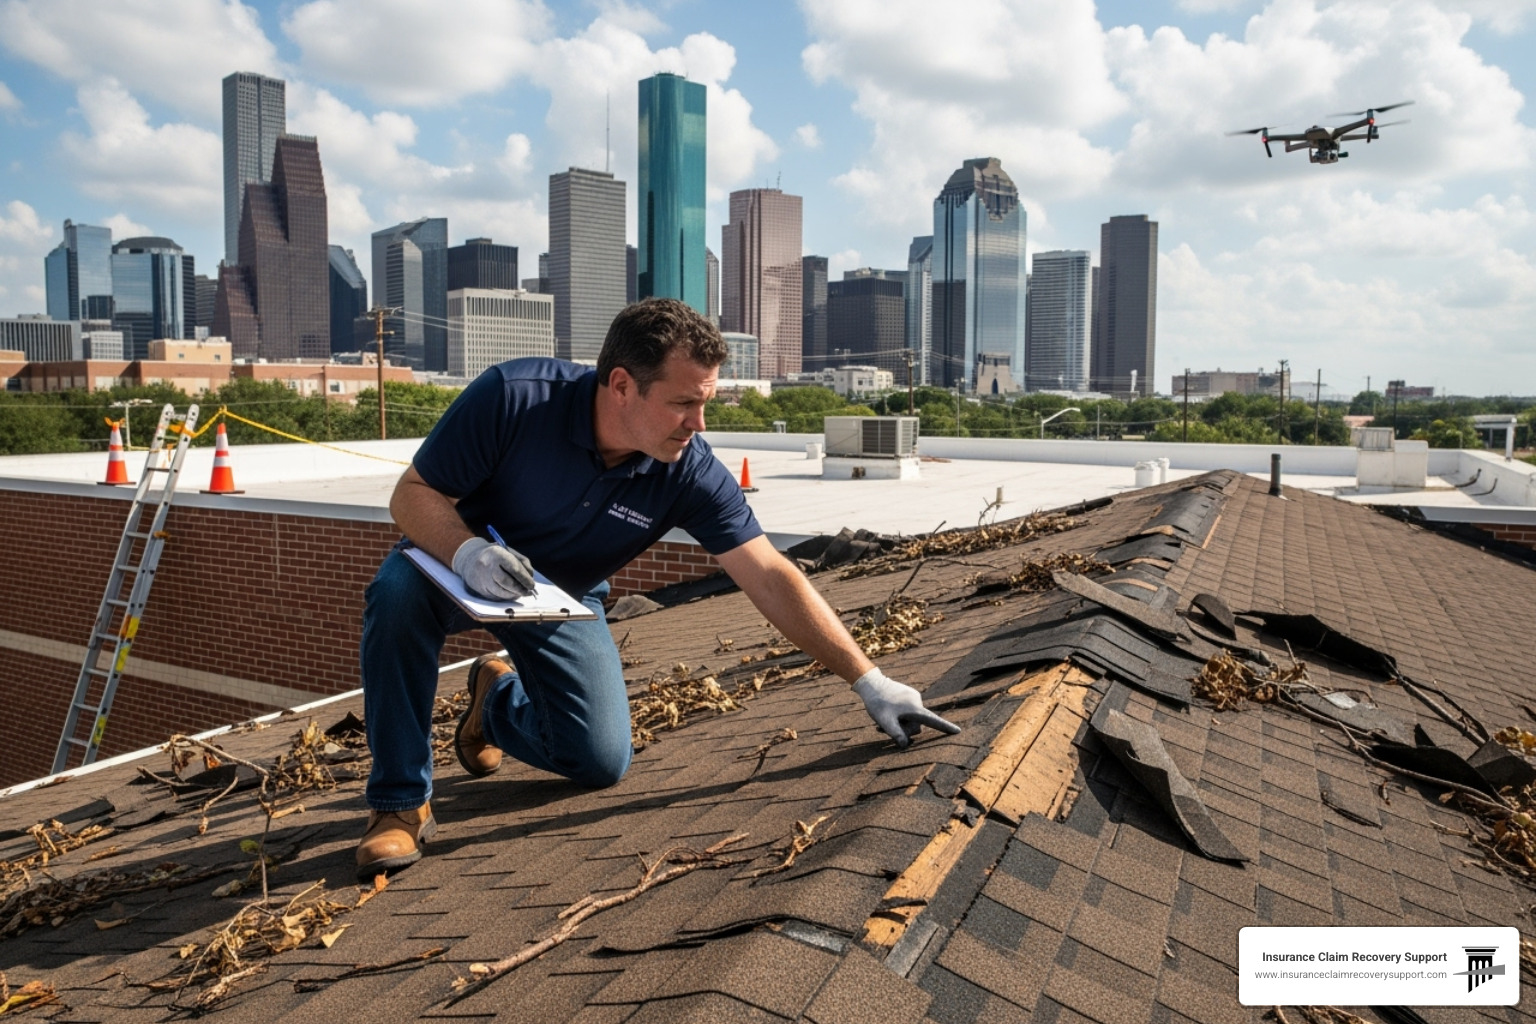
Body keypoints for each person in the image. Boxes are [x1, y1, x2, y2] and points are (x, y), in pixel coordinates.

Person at [356, 298, 959, 880]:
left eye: (706, 403)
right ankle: (400, 801)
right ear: (622, 385)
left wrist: (870, 682)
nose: (698, 425)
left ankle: (494, 703)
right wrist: (468, 552)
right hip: (457, 566)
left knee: (598, 760)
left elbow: (771, 575)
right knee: (396, 594)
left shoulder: (688, 469)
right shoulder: (514, 398)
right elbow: (410, 496)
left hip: (561, 596)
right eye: (683, 404)